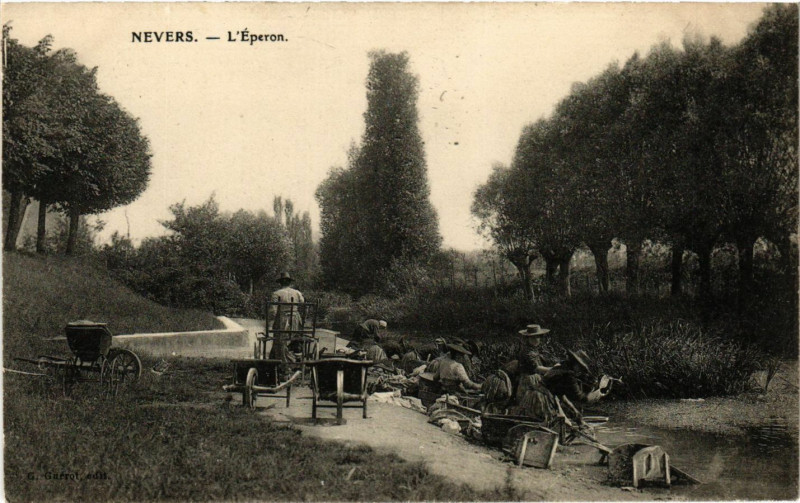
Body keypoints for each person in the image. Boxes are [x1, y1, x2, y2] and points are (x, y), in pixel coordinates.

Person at [543, 349, 611, 406]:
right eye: (580, 367)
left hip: (546, 394)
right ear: (576, 364)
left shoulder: (561, 365)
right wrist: (597, 393)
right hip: (544, 398)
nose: (580, 370)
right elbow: (580, 397)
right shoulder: (568, 375)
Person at [267, 272, 306, 361]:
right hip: (295, 320)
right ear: (290, 283)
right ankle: (292, 358)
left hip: (283, 321)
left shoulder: (276, 294)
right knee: (292, 339)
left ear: (280, 283)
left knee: (280, 341)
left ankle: (284, 362)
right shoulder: (297, 293)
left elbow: (273, 311)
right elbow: (303, 304)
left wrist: (270, 324)